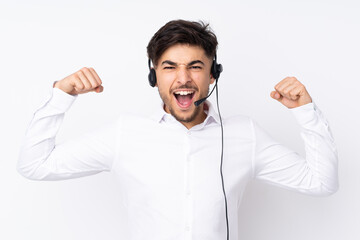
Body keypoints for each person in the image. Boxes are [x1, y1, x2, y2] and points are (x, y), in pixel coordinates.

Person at [17, 19, 338, 240]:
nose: (183, 78)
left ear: (213, 75)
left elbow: (321, 182)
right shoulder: (125, 134)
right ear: (154, 76)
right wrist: (61, 94)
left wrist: (305, 112)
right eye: (170, 67)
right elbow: (35, 165)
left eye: (195, 66)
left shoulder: (245, 135)